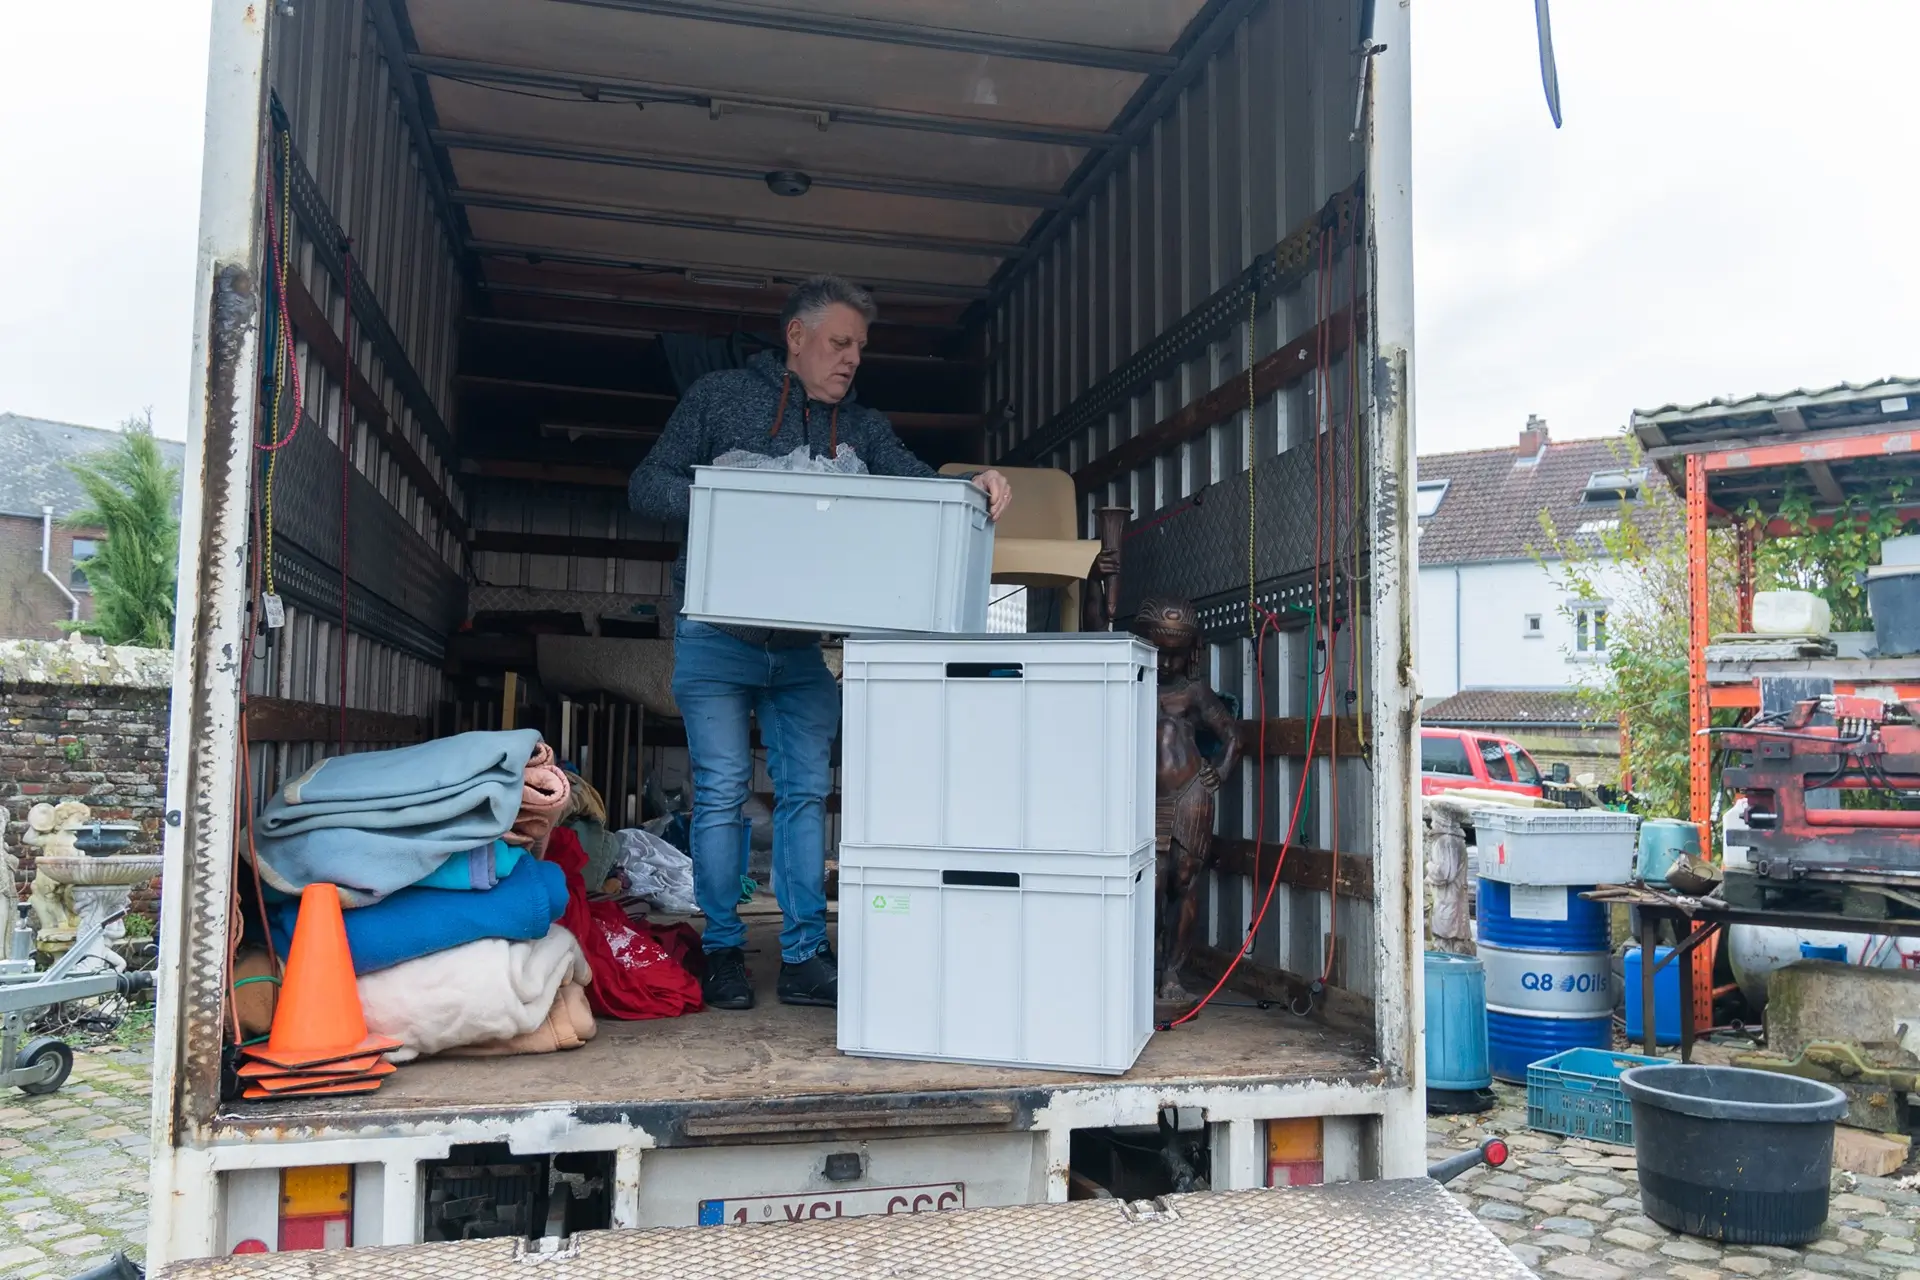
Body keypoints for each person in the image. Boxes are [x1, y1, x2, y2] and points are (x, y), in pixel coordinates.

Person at [629, 275, 1012, 1011]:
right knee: (721, 795)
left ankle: (805, 955)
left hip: (800, 649)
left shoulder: (860, 427)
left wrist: (978, 480)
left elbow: (922, 489)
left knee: (807, 795)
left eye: (860, 349)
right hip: (715, 635)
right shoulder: (717, 399)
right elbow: (646, 485)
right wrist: (733, 496)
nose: (851, 361)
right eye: (839, 344)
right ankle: (721, 952)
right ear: (796, 339)